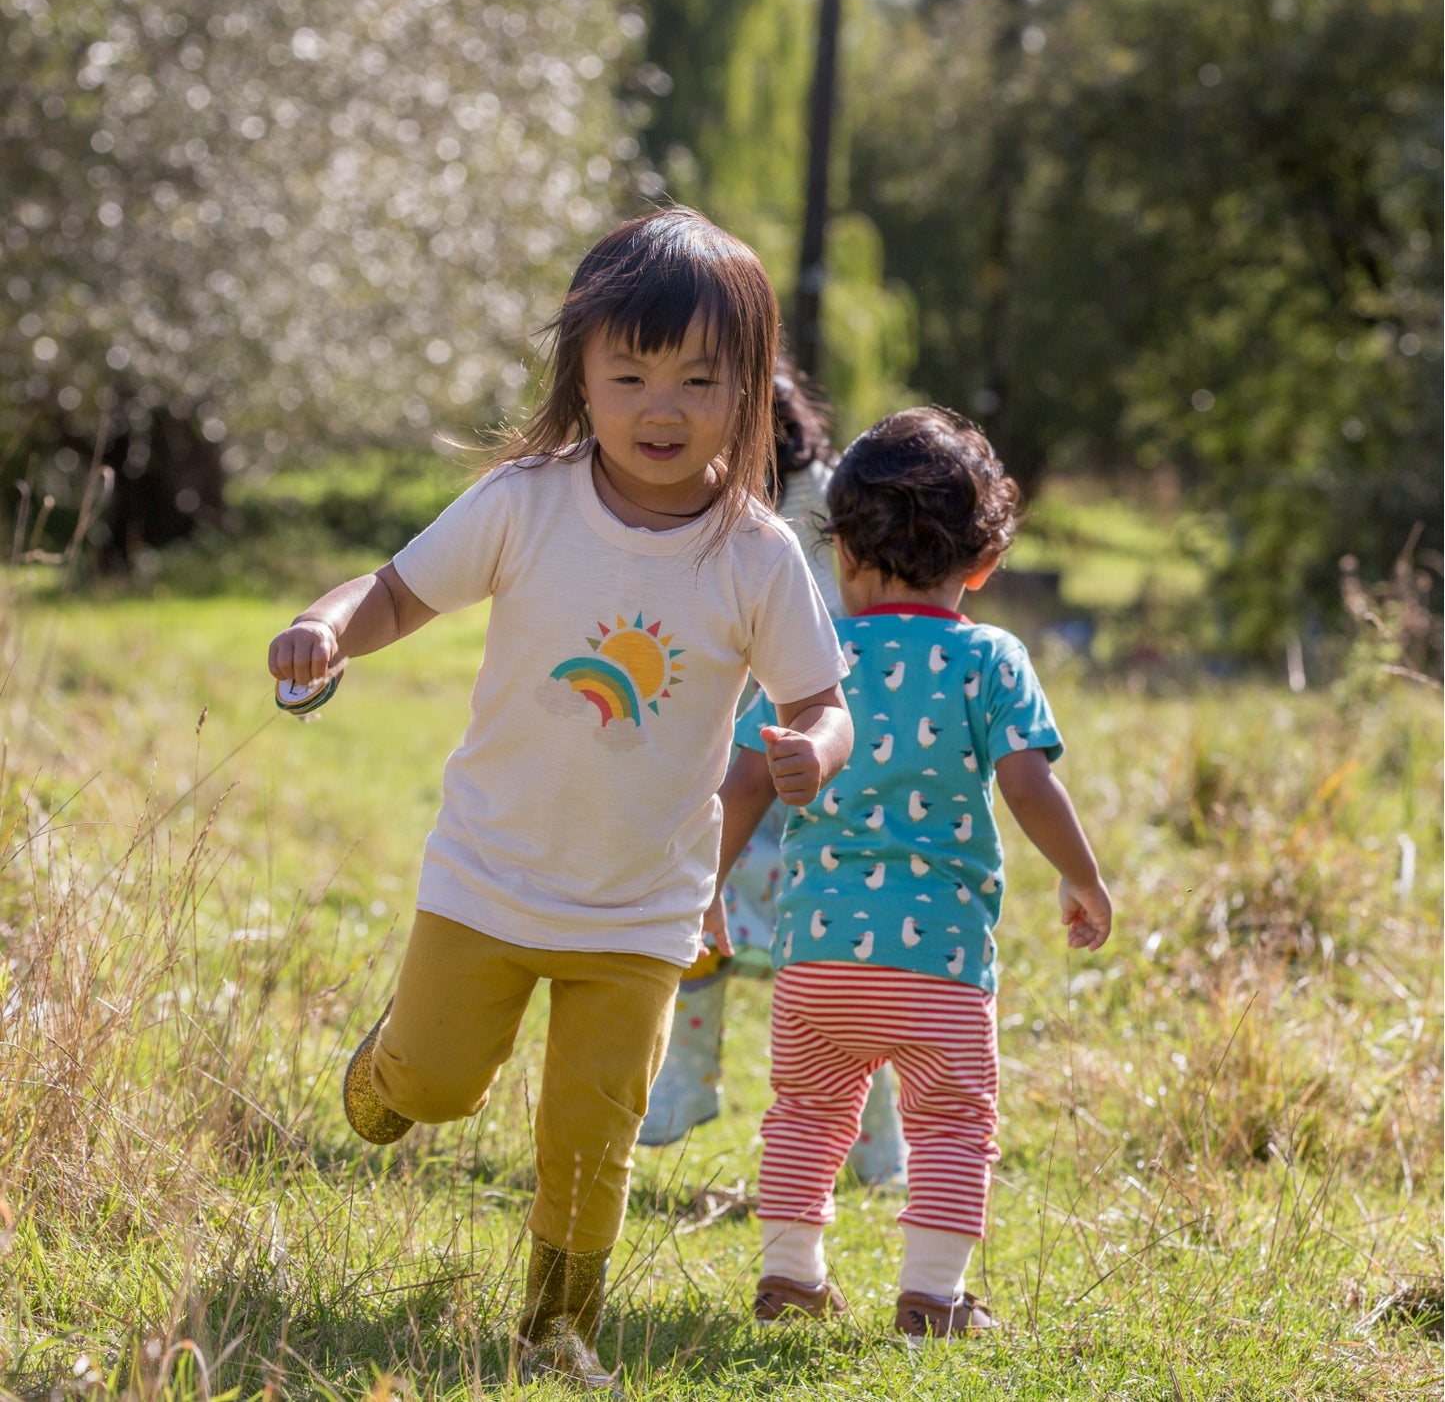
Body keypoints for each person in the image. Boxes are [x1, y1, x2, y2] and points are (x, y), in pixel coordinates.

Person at [266, 207, 853, 1391]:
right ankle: (385, 1067)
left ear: (749, 392)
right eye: (629, 373)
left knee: (591, 1143)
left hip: (641, 907)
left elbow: (820, 698)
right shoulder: (525, 502)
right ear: (579, 373)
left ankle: (553, 1328)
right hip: (488, 872)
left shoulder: (754, 555)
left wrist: (812, 750)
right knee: (434, 1086)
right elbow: (392, 590)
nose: (662, 406)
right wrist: (329, 626)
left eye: (700, 378)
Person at [709, 407, 1112, 1339]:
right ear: (982, 565)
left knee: (806, 1112)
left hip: (815, 955)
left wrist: (707, 894)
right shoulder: (989, 658)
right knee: (950, 1124)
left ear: (840, 554)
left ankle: (788, 1274)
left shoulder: (809, 659)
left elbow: (741, 784)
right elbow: (1027, 782)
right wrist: (1082, 877)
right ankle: (931, 1296)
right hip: (940, 963)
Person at [639, 353, 909, 1187]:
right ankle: (684, 1086)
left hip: (806, 748)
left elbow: (840, 620)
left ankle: (868, 1143)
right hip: (745, 755)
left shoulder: (823, 501)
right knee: (720, 924)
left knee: (823, 962)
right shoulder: (705, 507)